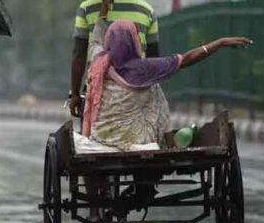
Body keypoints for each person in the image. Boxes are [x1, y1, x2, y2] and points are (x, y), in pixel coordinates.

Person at [82, 19, 251, 212]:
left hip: (103, 136)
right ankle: (162, 155)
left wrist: (100, 18)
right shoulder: (145, 68)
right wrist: (220, 42)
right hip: (138, 139)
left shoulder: (98, 64)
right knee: (154, 88)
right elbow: (186, 59)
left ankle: (100, 206)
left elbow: (95, 43)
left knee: (150, 90)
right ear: (134, 42)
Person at [68, 0, 159, 223]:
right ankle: (144, 184)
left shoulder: (87, 7)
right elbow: (155, 56)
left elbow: (78, 54)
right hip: (138, 94)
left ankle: (96, 208)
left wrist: (74, 93)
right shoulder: (146, 11)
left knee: (87, 141)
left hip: (100, 97)